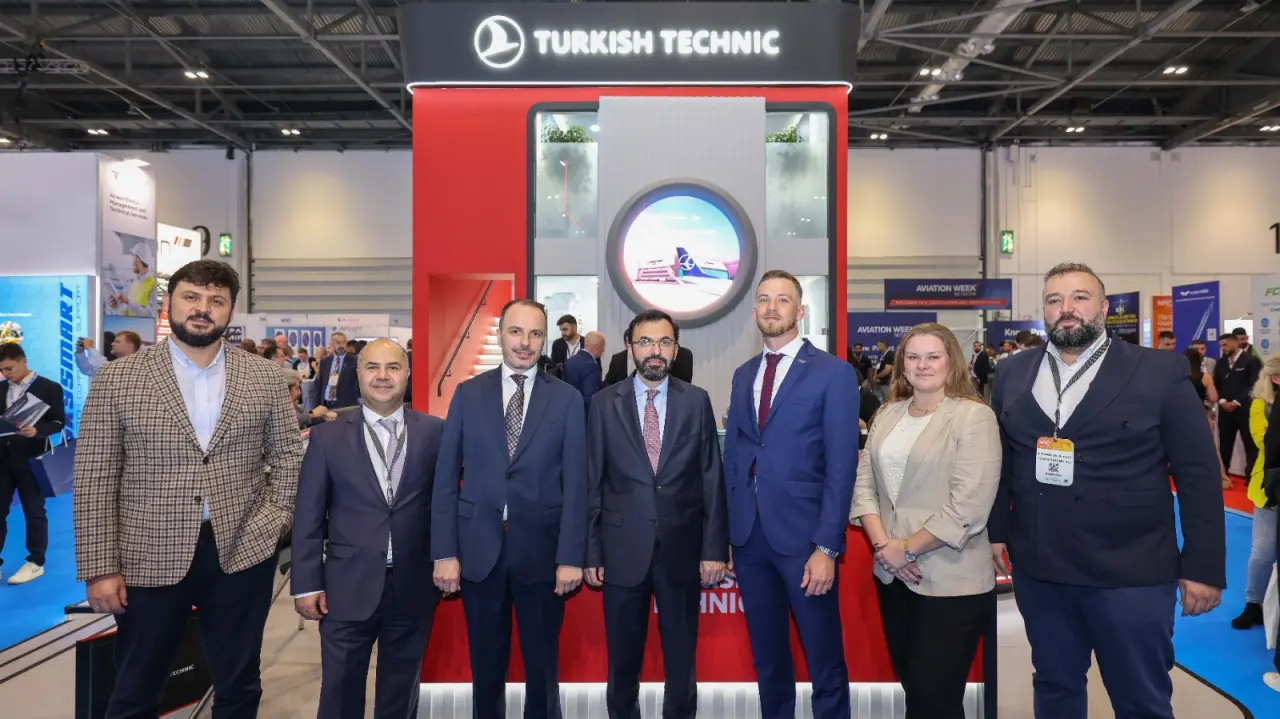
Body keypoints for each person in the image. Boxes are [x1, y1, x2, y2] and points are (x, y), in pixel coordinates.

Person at [988, 262, 1225, 719]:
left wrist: (1203, 566)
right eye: (1054, 300)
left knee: (1140, 700)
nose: (1067, 308)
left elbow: (1197, 474)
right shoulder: (1014, 371)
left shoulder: (1159, 371)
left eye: (1079, 297)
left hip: (1130, 572)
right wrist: (997, 531)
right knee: (1055, 687)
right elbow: (1004, 459)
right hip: (1041, 568)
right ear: (1044, 311)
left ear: (1104, 307)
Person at [73, 260, 303, 719]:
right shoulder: (118, 378)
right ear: (169, 303)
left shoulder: (264, 377)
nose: (203, 308)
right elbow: (95, 475)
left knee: (239, 684)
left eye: (216, 300)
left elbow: (288, 457)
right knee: (136, 687)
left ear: (230, 310)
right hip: (147, 552)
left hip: (241, 549)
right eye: (191, 297)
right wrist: (100, 568)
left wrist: (274, 522)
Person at [432, 298, 587, 719]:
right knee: (485, 669)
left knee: (542, 668)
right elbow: (445, 480)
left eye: (535, 333)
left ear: (545, 339)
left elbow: (577, 485)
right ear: (501, 334)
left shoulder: (568, 399)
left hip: (542, 556)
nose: (525, 342)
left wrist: (571, 557)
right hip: (478, 553)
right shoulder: (468, 394)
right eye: (516, 331)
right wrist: (444, 552)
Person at [721, 270, 860, 718]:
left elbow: (842, 466)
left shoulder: (833, 373)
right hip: (750, 540)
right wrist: (729, 534)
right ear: (754, 311)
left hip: (805, 540)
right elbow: (735, 457)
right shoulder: (744, 374)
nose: (771, 307)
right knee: (768, 658)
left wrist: (826, 546)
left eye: (782, 299)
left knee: (823, 656)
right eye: (764, 299)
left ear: (800, 311)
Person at [849, 323, 1000, 719]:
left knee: (935, 698)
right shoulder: (887, 413)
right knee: (916, 689)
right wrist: (885, 547)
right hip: (894, 577)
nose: (923, 365)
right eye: (913, 357)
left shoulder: (974, 417)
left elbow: (968, 507)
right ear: (902, 365)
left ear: (952, 361)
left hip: (951, 579)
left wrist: (905, 549)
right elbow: (864, 485)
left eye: (933, 356)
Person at [584, 309, 728, 718]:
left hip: (681, 549)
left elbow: (711, 477)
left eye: (664, 342)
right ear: (629, 347)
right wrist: (591, 551)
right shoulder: (602, 404)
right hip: (620, 550)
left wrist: (714, 549)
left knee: (681, 659)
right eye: (646, 341)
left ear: (676, 349)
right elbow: (592, 481)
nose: (655, 351)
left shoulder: (696, 400)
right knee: (622, 660)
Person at [292, 338, 445, 719]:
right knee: (340, 694)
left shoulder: (435, 433)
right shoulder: (327, 437)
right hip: (345, 587)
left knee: (400, 695)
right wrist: (307, 582)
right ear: (358, 374)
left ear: (407, 374)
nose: (382, 376)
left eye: (393, 367)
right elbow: (309, 514)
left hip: (412, 585)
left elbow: (446, 505)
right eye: (373, 367)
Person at [0, 341, 66, 585]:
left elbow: (58, 422)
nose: (6, 374)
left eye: (9, 368)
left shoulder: (48, 387)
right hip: (3, 459)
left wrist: (37, 430)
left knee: (34, 511)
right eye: (2, 370)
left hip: (32, 460)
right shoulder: (1, 388)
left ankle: (35, 562)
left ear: (23, 361)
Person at [1229, 355, 1280, 630]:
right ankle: (1253, 604)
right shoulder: (1261, 405)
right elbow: (1264, 440)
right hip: (1269, 487)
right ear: (1275, 378)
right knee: (1263, 550)